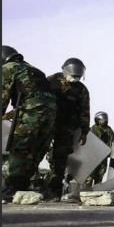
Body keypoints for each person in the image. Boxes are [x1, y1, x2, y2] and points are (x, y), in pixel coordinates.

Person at [1, 45, 57, 201]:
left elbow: (3, 95)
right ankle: (24, 183)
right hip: (51, 111)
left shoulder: (8, 68)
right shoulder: (35, 70)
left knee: (19, 145)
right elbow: (37, 96)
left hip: (31, 110)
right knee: (36, 147)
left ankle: (13, 187)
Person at [45, 57, 90, 202]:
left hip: (67, 128)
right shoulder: (51, 80)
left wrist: (84, 131)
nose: (75, 77)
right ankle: (29, 185)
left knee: (60, 158)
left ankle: (54, 191)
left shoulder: (81, 89)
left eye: (78, 74)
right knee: (36, 152)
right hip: (47, 123)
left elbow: (84, 111)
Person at [85, 111, 114, 187]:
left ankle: (96, 189)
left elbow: (113, 139)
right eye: (103, 119)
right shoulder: (93, 129)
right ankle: (86, 190)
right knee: (90, 175)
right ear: (98, 120)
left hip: (103, 155)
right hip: (93, 156)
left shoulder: (108, 129)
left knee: (100, 174)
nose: (105, 120)